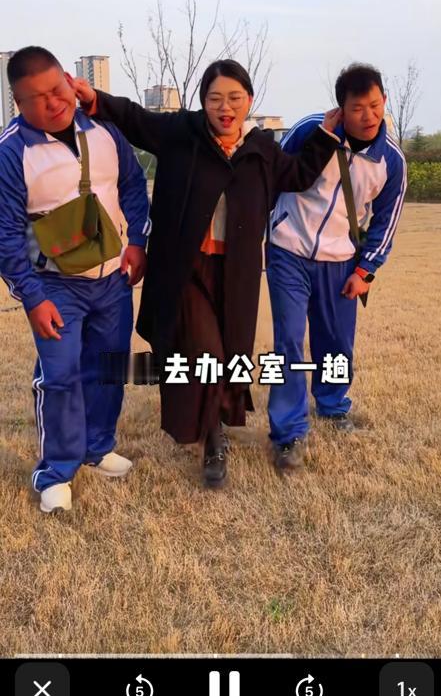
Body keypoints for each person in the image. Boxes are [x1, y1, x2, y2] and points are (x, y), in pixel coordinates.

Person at [76, 59, 341, 488]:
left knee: (230, 350)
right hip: (186, 269)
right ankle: (214, 439)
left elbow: (298, 174)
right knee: (207, 352)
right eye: (215, 98)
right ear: (203, 101)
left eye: (235, 98)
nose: (225, 107)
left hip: (235, 272)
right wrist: (96, 100)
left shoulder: (261, 150)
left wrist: (326, 136)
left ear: (249, 100)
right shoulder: (182, 133)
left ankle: (215, 426)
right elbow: (135, 118)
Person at [0, 46, 150, 513]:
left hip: (112, 278)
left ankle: (97, 447)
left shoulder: (105, 129)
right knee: (61, 375)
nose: (53, 102)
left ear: (70, 79)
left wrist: (137, 242)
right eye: (37, 98)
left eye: (57, 88)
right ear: (19, 103)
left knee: (109, 366)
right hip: (55, 285)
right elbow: (6, 234)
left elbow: (132, 186)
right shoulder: (12, 151)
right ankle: (56, 472)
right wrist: (32, 297)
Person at [266, 62, 407, 469]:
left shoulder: (391, 161)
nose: (369, 116)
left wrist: (365, 271)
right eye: (358, 108)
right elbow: (273, 176)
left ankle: (331, 404)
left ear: (384, 101)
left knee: (336, 341)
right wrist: (265, 230)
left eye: (375, 105)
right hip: (288, 249)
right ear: (340, 108)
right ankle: (289, 432)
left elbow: (386, 221)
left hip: (342, 261)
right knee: (289, 340)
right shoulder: (310, 129)